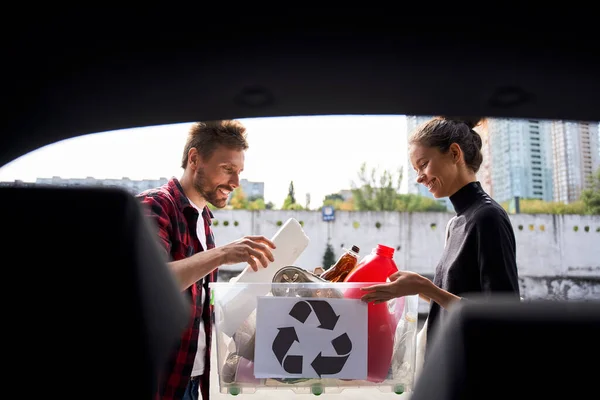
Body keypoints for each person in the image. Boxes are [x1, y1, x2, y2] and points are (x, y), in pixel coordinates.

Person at [136, 120, 276, 400]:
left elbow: (198, 305)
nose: (235, 183)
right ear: (194, 159)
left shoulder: (204, 219)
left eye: (239, 172)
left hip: (189, 379)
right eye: (227, 170)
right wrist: (222, 254)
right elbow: (152, 283)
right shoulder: (154, 206)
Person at [360, 116, 520, 358]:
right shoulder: (457, 222)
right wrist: (413, 288)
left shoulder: (488, 217)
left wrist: (426, 288)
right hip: (448, 365)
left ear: (455, 153)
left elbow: (502, 315)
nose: (419, 177)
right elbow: (456, 296)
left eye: (423, 164)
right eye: (415, 169)